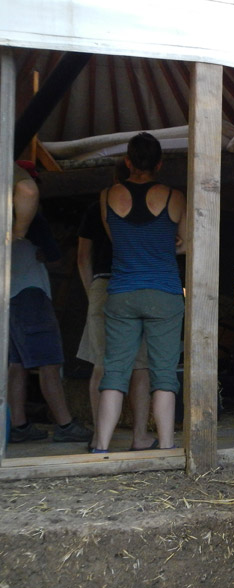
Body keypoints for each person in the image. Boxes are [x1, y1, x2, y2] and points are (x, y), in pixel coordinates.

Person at [93, 133, 186, 452]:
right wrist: (165, 243)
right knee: (164, 375)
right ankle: (166, 448)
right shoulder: (175, 196)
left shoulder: (106, 195)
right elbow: (184, 243)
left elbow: (117, 240)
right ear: (159, 164)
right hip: (164, 292)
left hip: (122, 291)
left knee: (115, 371)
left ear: (128, 162)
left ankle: (101, 447)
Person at [8, 162, 93, 444]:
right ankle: (65, 424)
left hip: (7, 297)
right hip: (30, 293)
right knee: (49, 363)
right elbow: (54, 256)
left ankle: (18, 425)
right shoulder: (34, 219)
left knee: (15, 365)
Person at [76, 160, 155, 451]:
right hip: (140, 284)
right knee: (141, 367)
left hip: (104, 283)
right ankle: (139, 436)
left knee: (101, 363)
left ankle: (100, 437)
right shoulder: (153, 205)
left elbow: (83, 257)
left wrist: (93, 292)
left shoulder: (96, 207)